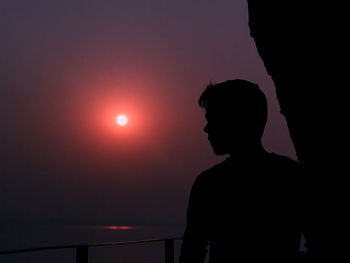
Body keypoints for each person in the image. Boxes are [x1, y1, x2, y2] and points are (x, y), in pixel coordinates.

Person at [179, 79, 303, 262]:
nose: (206, 128)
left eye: (213, 118)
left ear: (236, 121)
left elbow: (192, 252)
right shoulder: (292, 176)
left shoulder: (208, 184)